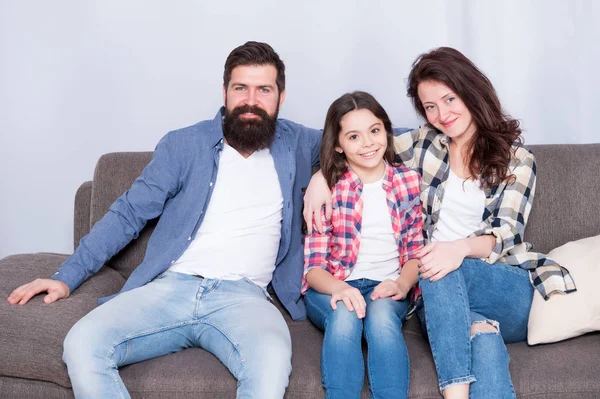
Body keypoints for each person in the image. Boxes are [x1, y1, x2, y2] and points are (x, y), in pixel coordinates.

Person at [7, 41, 321, 399]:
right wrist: (65, 277)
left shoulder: (296, 141)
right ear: (224, 92)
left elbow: (375, 138)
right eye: (240, 88)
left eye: (263, 89)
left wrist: (327, 172)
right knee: (82, 344)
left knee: (271, 365)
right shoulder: (183, 144)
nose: (251, 100)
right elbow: (127, 214)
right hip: (170, 288)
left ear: (280, 96)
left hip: (245, 297)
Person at [303, 47, 576, 399]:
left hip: (500, 283)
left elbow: (506, 235)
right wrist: (320, 178)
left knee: (438, 263)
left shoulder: (518, 159)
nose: (442, 114)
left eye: (449, 99)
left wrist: (458, 249)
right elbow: (358, 144)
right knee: (484, 342)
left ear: (471, 91)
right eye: (430, 106)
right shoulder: (424, 143)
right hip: (439, 299)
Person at [302, 91, 423, 399]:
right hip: (334, 285)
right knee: (344, 317)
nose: (368, 143)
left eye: (374, 131)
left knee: (382, 320)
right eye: (354, 136)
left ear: (386, 130)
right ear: (339, 145)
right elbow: (314, 269)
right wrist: (340, 289)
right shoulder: (327, 189)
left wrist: (402, 284)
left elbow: (413, 250)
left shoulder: (407, 181)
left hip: (388, 284)